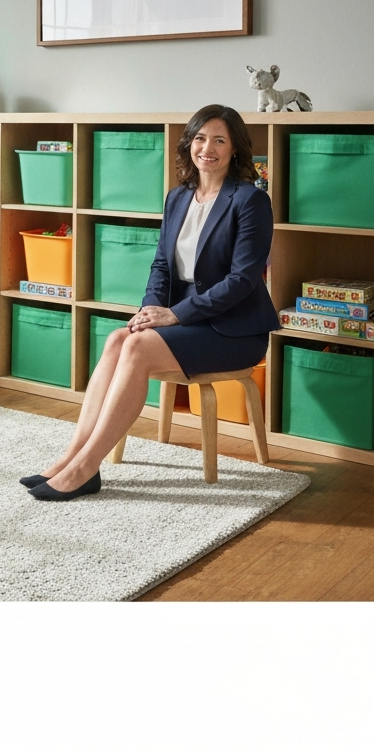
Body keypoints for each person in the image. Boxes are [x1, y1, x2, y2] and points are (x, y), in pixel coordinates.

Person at [22, 104, 279, 501]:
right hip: (187, 319)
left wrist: (175, 314)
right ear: (189, 144)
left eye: (219, 140)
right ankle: (73, 456)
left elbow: (242, 280)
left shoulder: (250, 200)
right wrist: (149, 310)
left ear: (234, 149)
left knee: (137, 347)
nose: (207, 148)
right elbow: (161, 264)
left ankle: (86, 467)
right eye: (200, 138)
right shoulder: (178, 198)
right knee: (117, 339)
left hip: (235, 329)